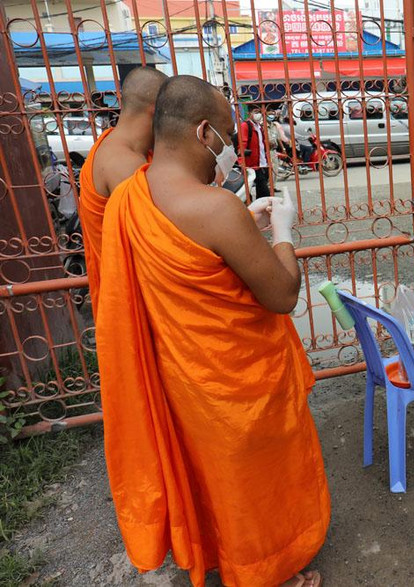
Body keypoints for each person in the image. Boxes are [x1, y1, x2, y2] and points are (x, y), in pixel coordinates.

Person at [96, 75, 330, 587]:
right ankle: (268, 572)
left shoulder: (130, 195)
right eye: (229, 136)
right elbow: (282, 295)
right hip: (236, 380)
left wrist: (241, 223)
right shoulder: (215, 205)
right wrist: (283, 233)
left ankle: (223, 552)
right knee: (253, 478)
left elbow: (196, 250)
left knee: (211, 472)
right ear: (204, 133)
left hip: (181, 375)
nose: (232, 151)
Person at [78, 66, 167, 317]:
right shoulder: (123, 164)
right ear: (156, 111)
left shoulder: (115, 144)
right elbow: (162, 241)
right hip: (133, 299)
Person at [241, 106, 271, 198]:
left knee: (261, 191)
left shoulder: (259, 127)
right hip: (251, 165)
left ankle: (257, 205)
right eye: (256, 112)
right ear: (249, 113)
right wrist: (242, 162)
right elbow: (242, 144)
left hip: (262, 164)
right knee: (263, 192)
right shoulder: (245, 126)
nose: (258, 114)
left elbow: (262, 145)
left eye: (259, 112)